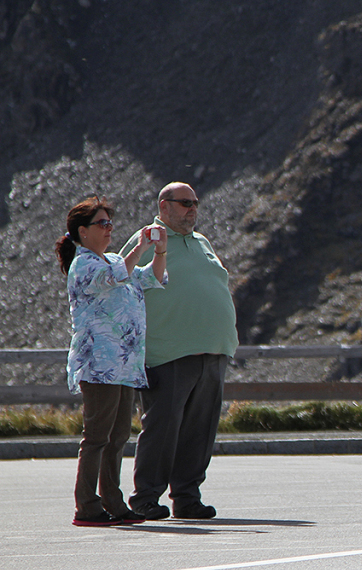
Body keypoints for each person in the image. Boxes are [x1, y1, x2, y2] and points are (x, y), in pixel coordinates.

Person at [122, 183, 238, 521]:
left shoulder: (201, 242)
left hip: (212, 351)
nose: (192, 209)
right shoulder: (147, 239)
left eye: (195, 203)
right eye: (185, 203)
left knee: (200, 430)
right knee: (162, 426)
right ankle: (145, 497)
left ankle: (187, 497)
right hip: (168, 352)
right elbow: (123, 285)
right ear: (164, 205)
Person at [57, 196, 168, 527]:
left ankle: (113, 502)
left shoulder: (116, 259)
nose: (108, 229)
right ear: (83, 232)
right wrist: (142, 246)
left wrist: (160, 251)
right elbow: (115, 277)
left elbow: (151, 278)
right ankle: (87, 506)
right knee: (97, 437)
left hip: (125, 365)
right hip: (99, 364)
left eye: (110, 223)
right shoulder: (85, 264)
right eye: (101, 224)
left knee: (118, 436)